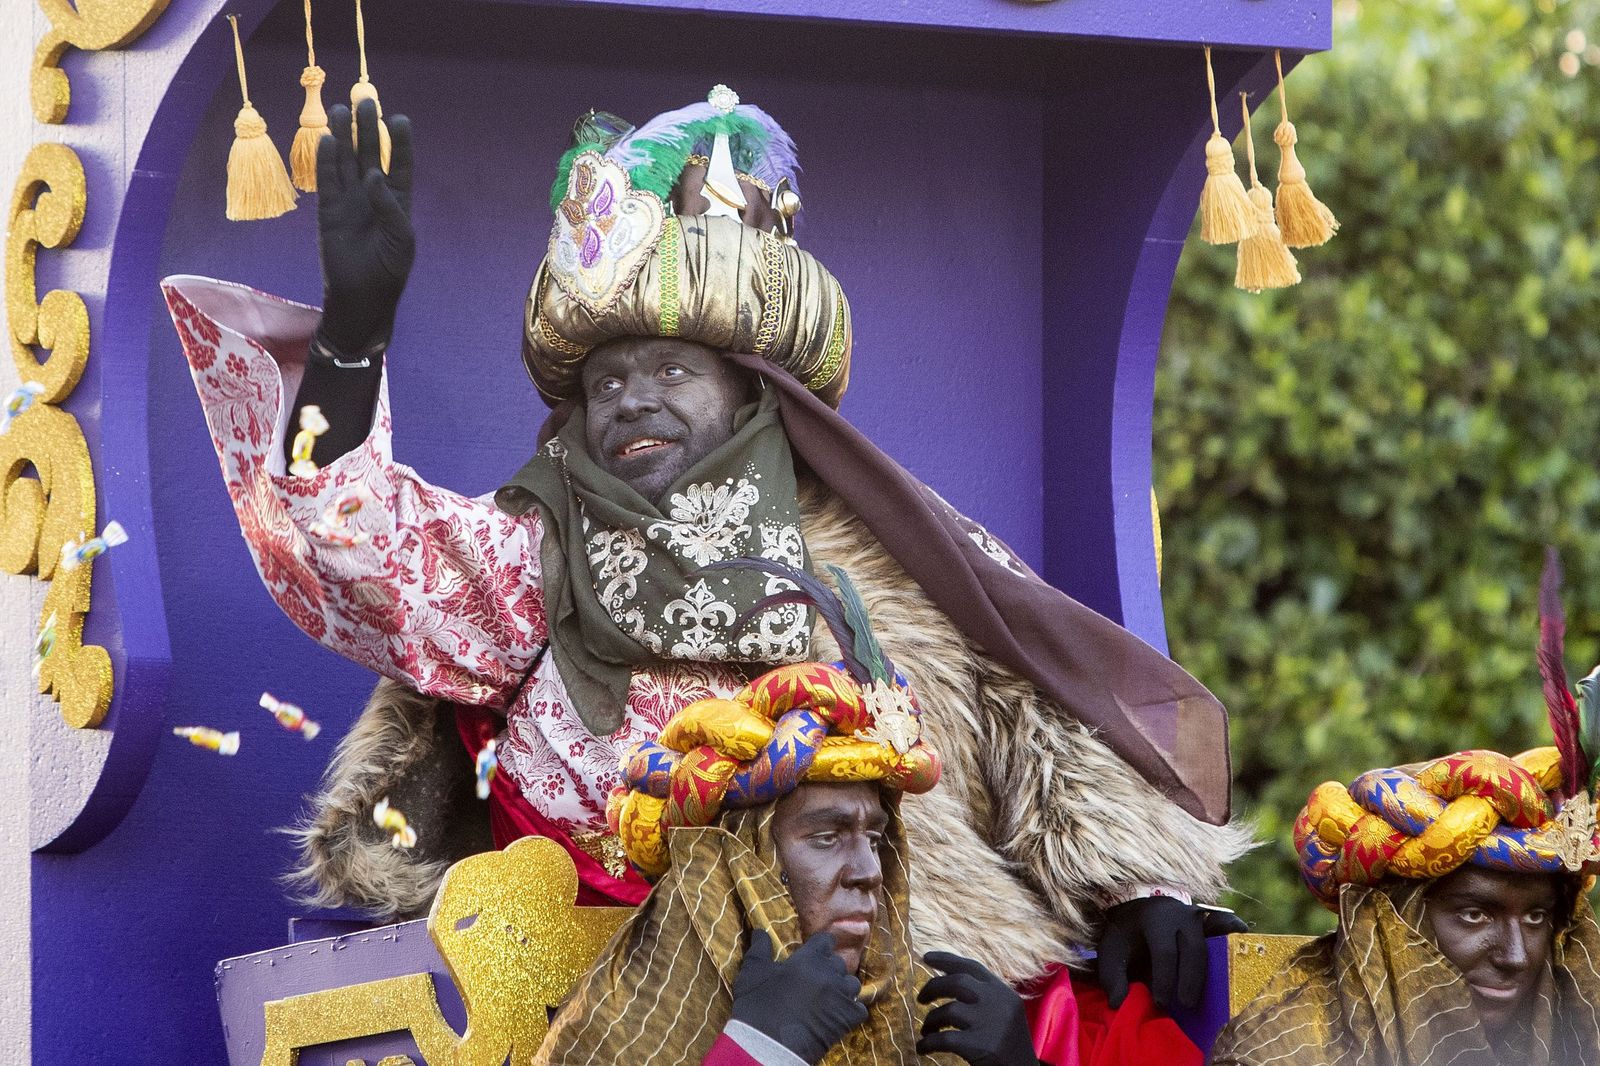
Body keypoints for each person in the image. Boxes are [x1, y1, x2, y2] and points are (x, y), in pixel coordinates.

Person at [162, 87, 1250, 1008]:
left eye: (670, 370)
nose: (630, 398)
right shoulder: (529, 555)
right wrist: (354, 333)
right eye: (602, 381)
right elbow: (359, 555)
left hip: (900, 1008)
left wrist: (1139, 882)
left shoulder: (887, 562)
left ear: (752, 390)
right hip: (607, 1010)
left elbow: (1048, 723)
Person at [538, 564, 1037, 1065]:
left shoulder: (930, 1018)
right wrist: (760, 1048)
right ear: (735, 866)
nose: (868, 874)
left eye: (878, 839)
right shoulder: (621, 1024)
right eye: (826, 836)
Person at [1212, 559, 1600, 1065]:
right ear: (1388, 919)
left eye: (1535, 916)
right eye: (1474, 913)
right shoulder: (1284, 1052)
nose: (1516, 955)